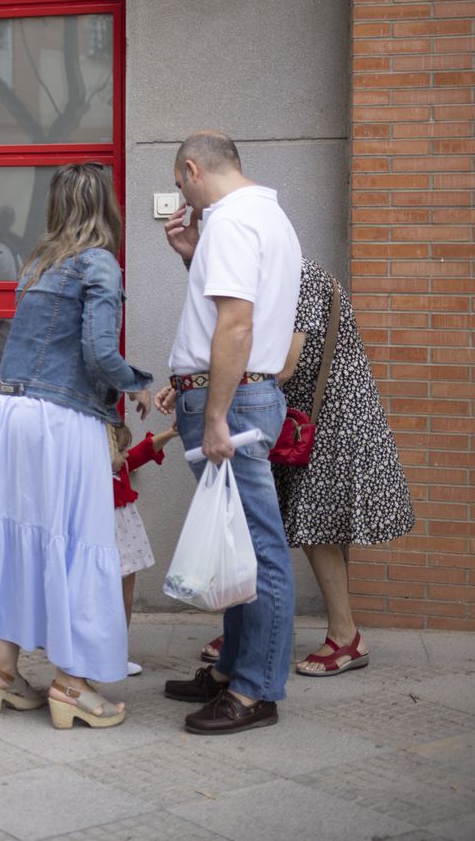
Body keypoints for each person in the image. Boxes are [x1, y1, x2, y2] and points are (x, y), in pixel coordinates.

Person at [0, 162, 152, 731]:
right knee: (77, 540)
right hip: (62, 417)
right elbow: (98, 354)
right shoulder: (100, 263)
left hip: (11, 410)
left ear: (58, 206)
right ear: (105, 206)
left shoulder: (39, 261)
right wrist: (136, 383)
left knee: (18, 532)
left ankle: (1, 671)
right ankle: (72, 684)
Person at [192, 258, 414, 676]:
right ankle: (249, 631)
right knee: (260, 520)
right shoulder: (270, 281)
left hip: (330, 419)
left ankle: (346, 638)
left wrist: (216, 396)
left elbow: (284, 364)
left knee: (316, 527)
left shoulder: (302, 277)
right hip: (293, 416)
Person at [158, 130, 302, 736]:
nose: (180, 194)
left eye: (179, 181)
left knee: (260, 547)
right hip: (245, 392)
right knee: (241, 545)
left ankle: (255, 690)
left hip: (235, 400)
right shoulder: (263, 216)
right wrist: (192, 255)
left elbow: (237, 327)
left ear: (192, 170)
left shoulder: (233, 221)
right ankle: (236, 671)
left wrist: (215, 414)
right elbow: (233, 315)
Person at [109, 422, 178, 676]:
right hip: (104, 547)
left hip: (127, 544)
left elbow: (145, 450)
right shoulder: (90, 479)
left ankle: (118, 652)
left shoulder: (123, 467)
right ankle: (99, 653)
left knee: (125, 601)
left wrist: (170, 432)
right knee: (104, 601)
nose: (127, 455)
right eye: (121, 450)